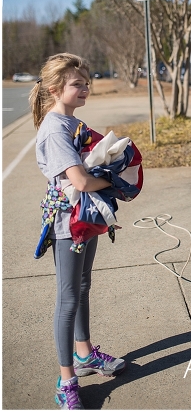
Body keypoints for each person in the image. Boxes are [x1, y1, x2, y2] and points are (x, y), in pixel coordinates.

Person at [31, 53, 126, 410]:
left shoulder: (74, 123)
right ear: (56, 89)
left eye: (87, 81)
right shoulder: (55, 128)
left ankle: (85, 355)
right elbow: (81, 181)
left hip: (87, 217)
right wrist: (116, 183)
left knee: (84, 286)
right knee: (68, 297)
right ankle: (66, 379)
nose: (86, 87)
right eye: (77, 83)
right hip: (68, 222)